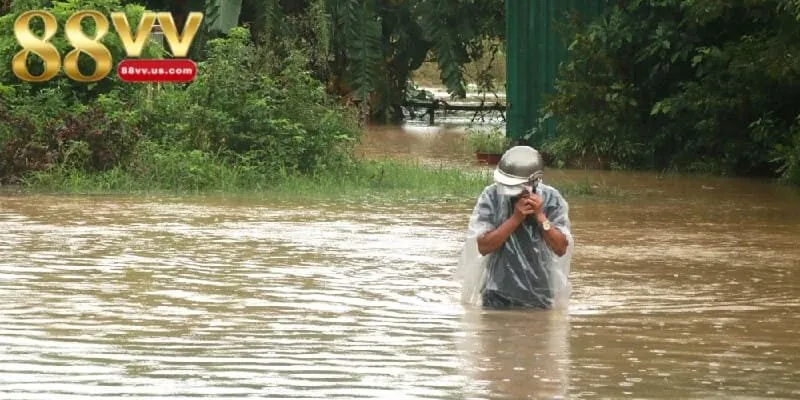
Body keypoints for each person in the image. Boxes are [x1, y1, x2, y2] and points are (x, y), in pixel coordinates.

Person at [458, 145, 574, 309]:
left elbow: (561, 248)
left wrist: (540, 216)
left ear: (534, 182)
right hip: (496, 294)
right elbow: (483, 246)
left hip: (539, 294)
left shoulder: (552, 199)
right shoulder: (491, 196)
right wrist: (515, 219)